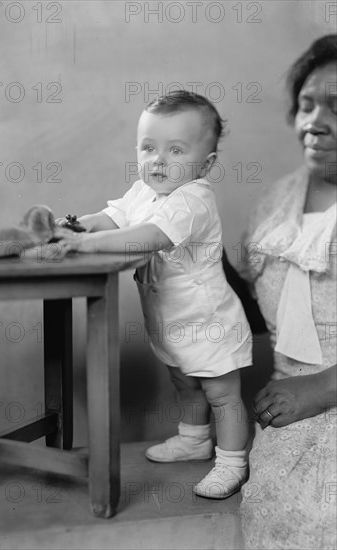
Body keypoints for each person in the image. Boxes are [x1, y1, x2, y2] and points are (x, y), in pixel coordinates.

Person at [55, 90, 253, 499]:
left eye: (176, 150)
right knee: (184, 382)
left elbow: (146, 236)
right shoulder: (145, 190)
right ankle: (194, 439)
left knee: (221, 393)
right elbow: (116, 217)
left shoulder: (192, 200)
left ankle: (232, 462)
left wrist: (86, 247)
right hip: (171, 320)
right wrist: (81, 226)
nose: (158, 160)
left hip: (209, 322)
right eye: (148, 148)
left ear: (206, 163)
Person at [239, 34, 337, 549]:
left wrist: (320, 389)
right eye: (306, 104)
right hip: (286, 402)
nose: (314, 122)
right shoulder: (276, 200)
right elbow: (253, 303)